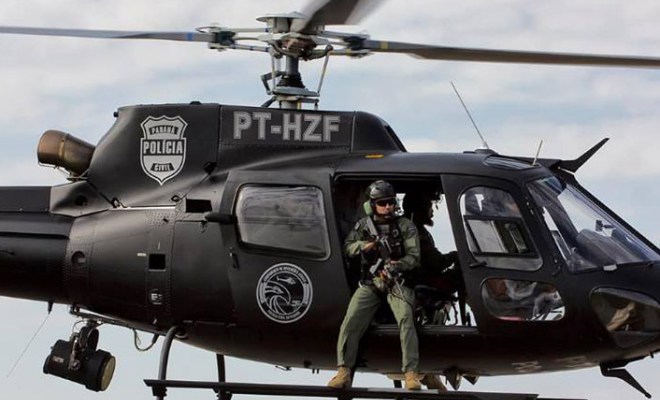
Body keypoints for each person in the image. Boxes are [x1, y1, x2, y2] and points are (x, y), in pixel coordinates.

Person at [328, 180, 423, 390]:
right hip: (372, 282)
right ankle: (343, 371)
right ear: (372, 205)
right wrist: (364, 246)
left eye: (390, 202)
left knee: (406, 318)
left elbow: (414, 257)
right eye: (382, 203)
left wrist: (398, 265)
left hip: (397, 281)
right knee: (352, 319)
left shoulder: (405, 226)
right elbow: (347, 248)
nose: (387, 207)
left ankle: (411, 373)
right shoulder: (363, 226)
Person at [402, 192, 462, 391]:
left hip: (424, 279)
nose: (432, 212)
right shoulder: (414, 233)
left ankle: (430, 373)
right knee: (462, 275)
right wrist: (457, 256)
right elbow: (435, 263)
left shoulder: (416, 229)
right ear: (419, 209)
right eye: (429, 207)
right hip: (420, 282)